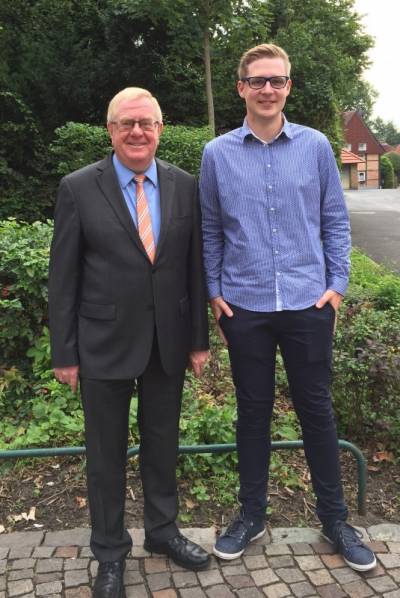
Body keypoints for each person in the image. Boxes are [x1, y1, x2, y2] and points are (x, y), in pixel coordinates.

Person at [199, 44, 376, 572]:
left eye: (277, 80)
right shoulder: (218, 154)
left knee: (316, 412)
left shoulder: (318, 146)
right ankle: (251, 514)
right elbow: (210, 229)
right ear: (241, 88)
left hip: (306, 302)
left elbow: (335, 222)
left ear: (288, 87)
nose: (268, 89)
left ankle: (336, 519)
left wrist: (337, 287)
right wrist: (214, 291)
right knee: (252, 414)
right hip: (245, 305)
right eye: (257, 81)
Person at [49, 87, 211, 598]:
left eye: (146, 122)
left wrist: (199, 340)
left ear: (161, 129)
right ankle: (110, 553)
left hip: (168, 342)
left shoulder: (185, 186)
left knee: (163, 446)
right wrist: (65, 351)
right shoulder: (78, 188)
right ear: (110, 131)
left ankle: (162, 533)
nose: (137, 131)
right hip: (103, 344)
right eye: (126, 123)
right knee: (106, 455)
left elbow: (193, 269)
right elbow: (63, 276)